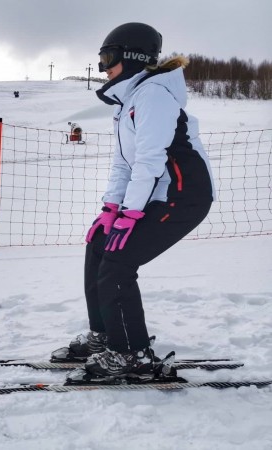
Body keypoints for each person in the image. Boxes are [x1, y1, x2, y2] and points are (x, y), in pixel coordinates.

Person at [53, 23, 215, 378]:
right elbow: (123, 164)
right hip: (158, 193)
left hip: (184, 195)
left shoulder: (154, 95)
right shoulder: (130, 100)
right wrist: (111, 210)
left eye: (107, 58)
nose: (102, 68)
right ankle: (105, 336)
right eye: (101, 59)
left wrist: (131, 213)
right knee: (99, 243)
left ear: (132, 57)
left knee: (118, 263)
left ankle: (132, 354)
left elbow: (149, 161)